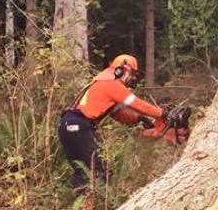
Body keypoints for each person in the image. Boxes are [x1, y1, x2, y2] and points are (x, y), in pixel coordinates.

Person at [58, 54, 177, 193]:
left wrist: (139, 119)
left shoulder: (102, 85)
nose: (133, 78)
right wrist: (163, 113)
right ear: (122, 70)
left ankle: (82, 207)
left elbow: (119, 114)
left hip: (66, 125)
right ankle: (97, 205)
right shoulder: (111, 84)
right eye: (132, 74)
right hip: (79, 125)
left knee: (83, 170)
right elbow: (136, 104)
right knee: (97, 170)